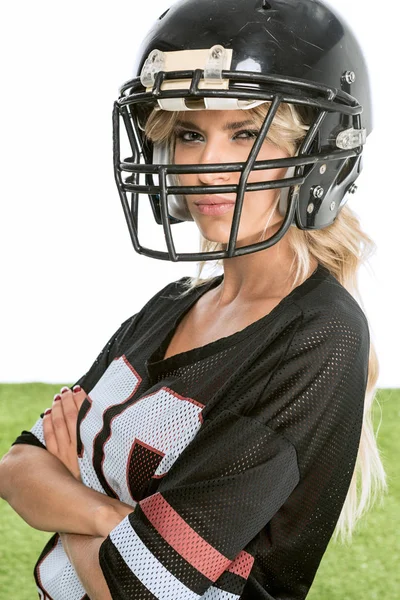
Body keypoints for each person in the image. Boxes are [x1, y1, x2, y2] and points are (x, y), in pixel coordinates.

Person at [0, 0, 387, 599]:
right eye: (187, 134)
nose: (206, 166)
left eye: (243, 133)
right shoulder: (173, 305)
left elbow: (145, 588)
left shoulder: (319, 336)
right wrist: (113, 521)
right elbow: (18, 468)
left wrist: (73, 483)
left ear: (316, 149)